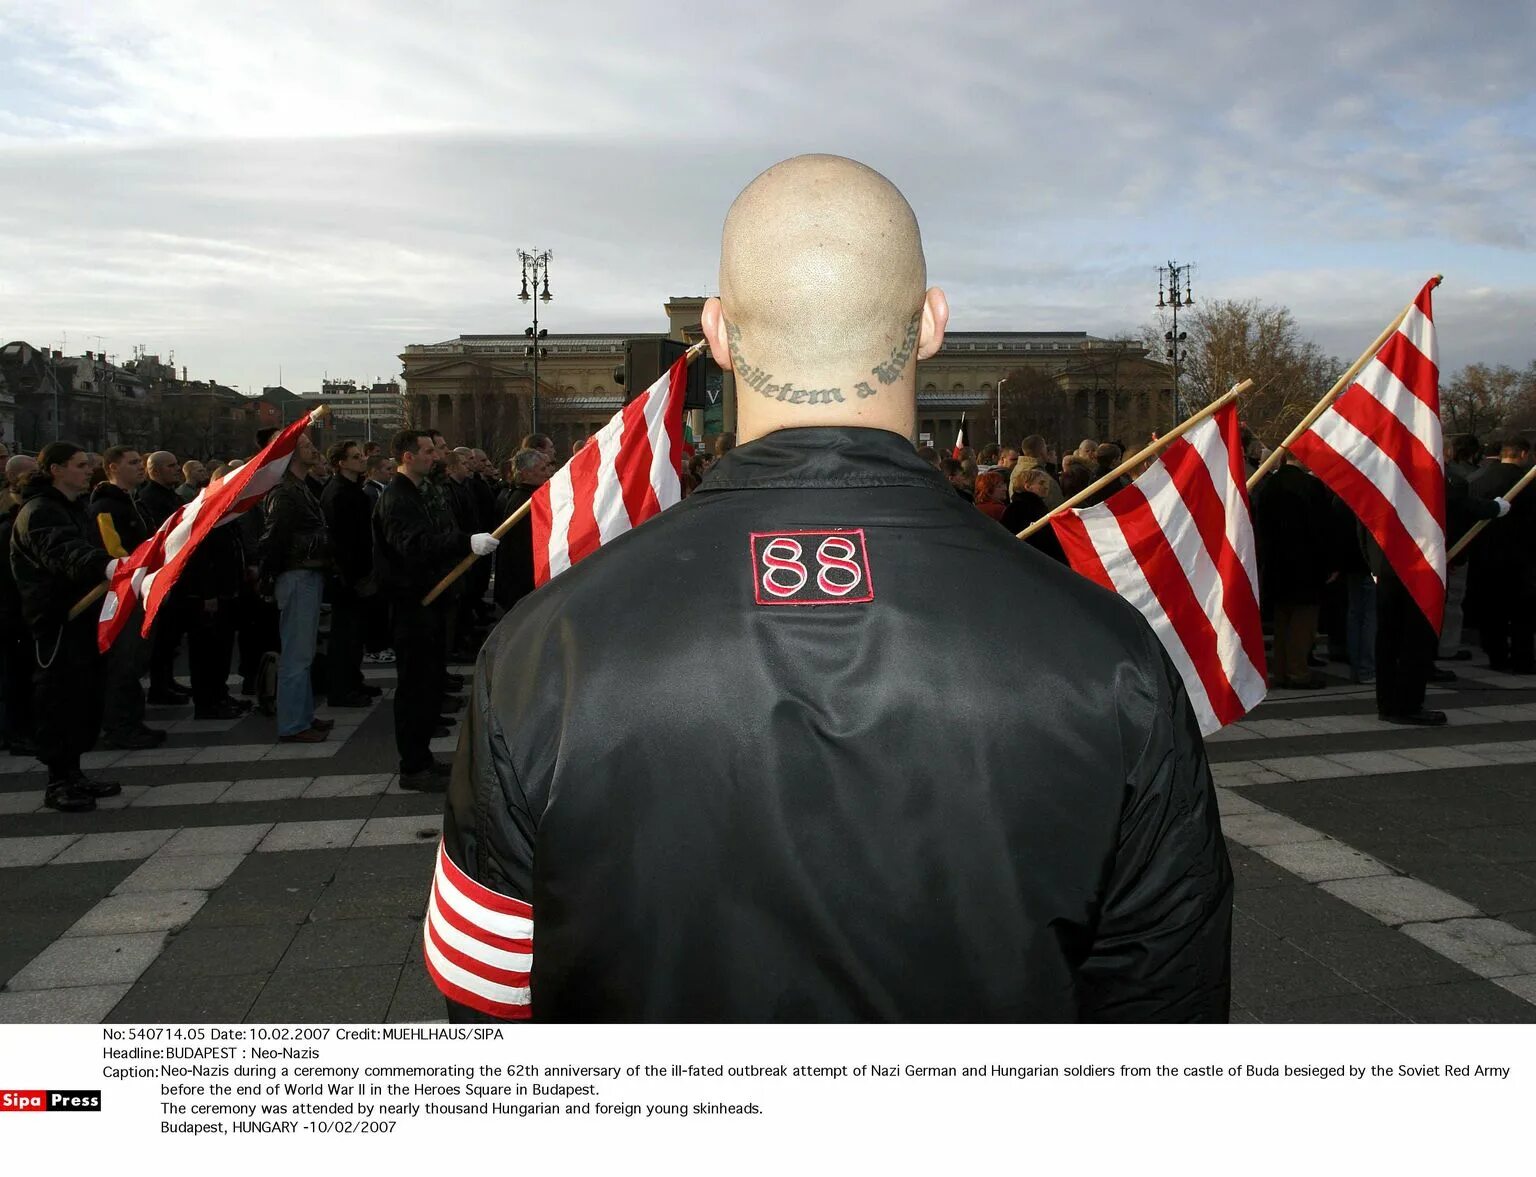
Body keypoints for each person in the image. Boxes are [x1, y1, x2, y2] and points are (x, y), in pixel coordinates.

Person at [431, 154, 1230, 1023]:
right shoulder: (1111, 655)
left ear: (718, 332)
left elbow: (488, 1009)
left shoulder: (540, 648)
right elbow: (1165, 1013)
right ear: (930, 325)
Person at [373, 429, 498, 790]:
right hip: (412, 604)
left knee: (428, 685)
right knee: (414, 687)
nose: (435, 456)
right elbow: (414, 544)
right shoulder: (397, 497)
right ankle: (413, 766)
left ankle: (422, 758)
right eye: (427, 451)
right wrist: (464, 542)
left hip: (433, 599)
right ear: (407, 457)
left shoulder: (421, 491)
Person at [10, 443, 122, 812]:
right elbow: (64, 552)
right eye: (79, 465)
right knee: (57, 699)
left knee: (83, 697)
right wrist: (105, 567)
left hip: (84, 616)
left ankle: (74, 772)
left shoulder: (74, 508)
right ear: (56, 470)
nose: (88, 470)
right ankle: (57, 780)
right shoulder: (39, 511)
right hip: (57, 618)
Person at [89, 446, 166, 749]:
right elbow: (115, 553)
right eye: (133, 463)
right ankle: (120, 726)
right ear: (112, 467)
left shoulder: (134, 503)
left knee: (135, 661)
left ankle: (132, 720)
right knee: (123, 662)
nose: (140, 467)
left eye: (141, 462)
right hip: (124, 594)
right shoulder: (106, 506)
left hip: (141, 589)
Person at [258, 432, 334, 742]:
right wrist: (268, 576)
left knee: (303, 652)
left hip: (308, 572)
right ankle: (292, 724)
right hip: (296, 574)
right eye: (304, 445)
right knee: (296, 654)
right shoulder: (284, 493)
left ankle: (302, 715)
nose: (314, 448)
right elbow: (273, 540)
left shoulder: (300, 488)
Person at [1468, 439, 1534, 674]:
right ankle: (1522, 656)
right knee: (1521, 611)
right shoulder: (1527, 482)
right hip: (1520, 555)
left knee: (1492, 607)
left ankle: (1495, 654)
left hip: (1485, 553)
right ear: (1523, 454)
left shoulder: (1479, 479)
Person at [319, 439, 376, 708]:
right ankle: (341, 688)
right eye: (355, 457)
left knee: (356, 634)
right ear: (341, 463)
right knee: (345, 635)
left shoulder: (353, 490)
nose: (362, 460)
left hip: (358, 570)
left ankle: (354, 680)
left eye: (362, 456)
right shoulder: (338, 493)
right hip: (347, 576)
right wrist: (353, 576)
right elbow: (342, 540)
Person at [138, 450, 192, 702]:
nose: (176, 469)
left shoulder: (170, 495)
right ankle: (160, 686)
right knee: (163, 638)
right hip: (163, 574)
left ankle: (168, 681)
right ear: (155, 470)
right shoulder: (151, 498)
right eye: (170, 465)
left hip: (176, 572)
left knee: (172, 638)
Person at [0, 455, 38, 757]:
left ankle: (22, 726)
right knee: (13, 672)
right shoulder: (10, 511)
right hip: (10, 603)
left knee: (23, 670)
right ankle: (15, 731)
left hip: (22, 601)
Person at [492, 448, 552, 614]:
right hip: (523, 584)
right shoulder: (523, 501)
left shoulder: (525, 496)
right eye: (542, 469)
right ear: (526, 473)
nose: (547, 473)